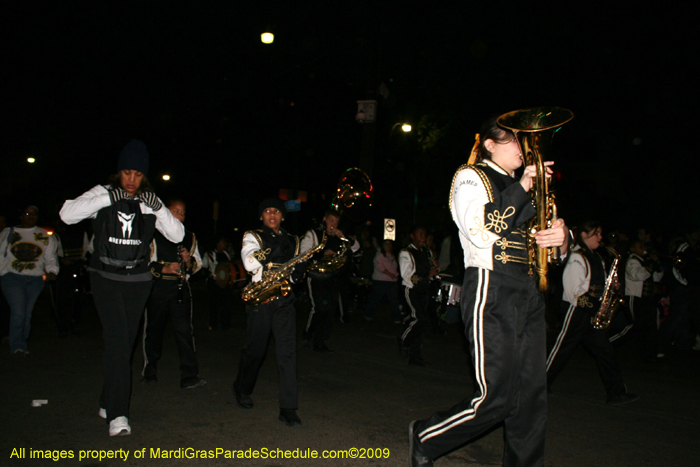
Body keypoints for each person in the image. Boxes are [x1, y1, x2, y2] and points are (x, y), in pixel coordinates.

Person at [408, 117, 569, 467]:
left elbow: (551, 252)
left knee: (530, 399)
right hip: (491, 288)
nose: (523, 148)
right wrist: (524, 187)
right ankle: (426, 436)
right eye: (513, 140)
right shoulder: (471, 176)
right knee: (495, 398)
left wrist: (562, 239)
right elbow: (482, 231)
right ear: (490, 145)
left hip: (529, 292)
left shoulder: (527, 188)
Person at [60, 139, 184, 437]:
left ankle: (107, 398)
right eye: (127, 172)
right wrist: (107, 198)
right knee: (117, 341)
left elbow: (177, 234)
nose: (131, 180)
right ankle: (118, 414)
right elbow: (67, 215)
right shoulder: (103, 192)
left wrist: (160, 209)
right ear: (119, 171)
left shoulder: (148, 199)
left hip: (138, 281)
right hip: (106, 278)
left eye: (137, 174)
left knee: (124, 344)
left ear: (144, 175)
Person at [546, 220, 638, 406]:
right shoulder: (577, 257)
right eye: (597, 233)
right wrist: (595, 307)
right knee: (560, 350)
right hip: (576, 310)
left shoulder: (597, 258)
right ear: (585, 235)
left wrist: (611, 288)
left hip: (590, 311)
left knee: (605, 352)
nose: (601, 238)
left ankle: (616, 393)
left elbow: (599, 286)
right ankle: (537, 386)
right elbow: (574, 291)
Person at [233, 199, 303, 427]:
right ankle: (242, 388)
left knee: (287, 353)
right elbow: (250, 263)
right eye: (267, 211)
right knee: (256, 350)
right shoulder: (253, 236)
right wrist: (272, 248)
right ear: (261, 216)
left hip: (284, 300)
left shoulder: (293, 240)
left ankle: (288, 407)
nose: (272, 214)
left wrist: (298, 271)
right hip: (261, 300)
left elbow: (293, 273)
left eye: (276, 211)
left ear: (283, 216)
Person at [141, 199, 206, 389]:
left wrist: (187, 262)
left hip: (180, 289)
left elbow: (197, 265)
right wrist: (164, 268)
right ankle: (149, 371)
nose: (180, 215)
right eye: (175, 211)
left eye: (183, 212)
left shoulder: (189, 237)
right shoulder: (152, 233)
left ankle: (189, 375)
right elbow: (143, 262)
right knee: (153, 331)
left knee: (185, 332)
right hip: (157, 289)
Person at [0, 205, 59, 356]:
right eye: (27, 213)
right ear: (21, 216)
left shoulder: (45, 235)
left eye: (34, 214)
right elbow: (1, 253)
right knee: (18, 311)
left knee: (27, 312)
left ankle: (22, 339)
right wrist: (3, 272)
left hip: (35, 279)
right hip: (13, 277)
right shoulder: (9, 232)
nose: (30, 216)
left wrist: (52, 271)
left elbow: (50, 256)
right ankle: (18, 345)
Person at [301, 208, 359, 352]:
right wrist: (322, 253)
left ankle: (320, 341)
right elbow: (303, 253)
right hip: (315, 277)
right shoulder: (314, 234)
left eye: (337, 222)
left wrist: (344, 236)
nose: (334, 224)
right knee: (319, 308)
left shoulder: (338, 237)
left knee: (330, 310)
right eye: (331, 221)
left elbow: (356, 248)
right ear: (325, 219)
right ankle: (308, 332)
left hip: (332, 277)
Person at [397, 226, 438, 366]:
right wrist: (426, 276)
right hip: (412, 289)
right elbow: (406, 276)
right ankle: (403, 340)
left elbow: (430, 272)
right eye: (420, 234)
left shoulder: (425, 252)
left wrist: (434, 270)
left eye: (424, 234)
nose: (423, 237)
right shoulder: (405, 253)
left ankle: (415, 356)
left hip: (424, 290)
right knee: (418, 318)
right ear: (412, 236)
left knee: (422, 323)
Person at [619, 239, 663, 361]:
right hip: (636, 298)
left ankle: (650, 353)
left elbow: (656, 278)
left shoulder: (645, 261)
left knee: (650, 325)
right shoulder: (633, 261)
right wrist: (650, 266)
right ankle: (611, 341)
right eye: (640, 246)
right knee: (636, 325)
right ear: (632, 249)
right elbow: (638, 276)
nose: (643, 249)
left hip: (648, 298)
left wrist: (656, 266)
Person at [364, 239, 400, 323]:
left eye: (390, 244)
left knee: (394, 300)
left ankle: (396, 317)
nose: (388, 246)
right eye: (386, 244)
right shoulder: (379, 255)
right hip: (381, 281)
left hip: (392, 281)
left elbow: (394, 267)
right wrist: (389, 274)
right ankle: (368, 314)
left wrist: (395, 275)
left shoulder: (392, 256)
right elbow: (380, 266)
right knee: (375, 298)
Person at [201, 236, 233, 330]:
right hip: (214, 282)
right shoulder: (210, 254)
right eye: (223, 242)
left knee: (226, 304)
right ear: (218, 243)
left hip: (225, 282)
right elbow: (203, 267)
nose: (225, 244)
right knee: (214, 304)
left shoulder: (226, 254)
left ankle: (226, 324)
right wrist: (208, 274)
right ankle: (213, 324)